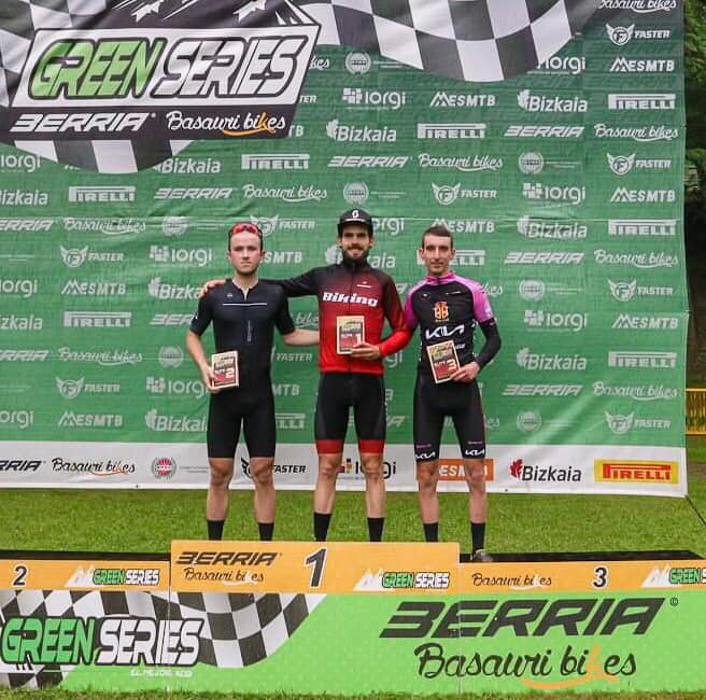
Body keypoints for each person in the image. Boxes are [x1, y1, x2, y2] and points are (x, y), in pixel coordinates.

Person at [200, 209, 409, 542]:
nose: (354, 241)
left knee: (373, 466)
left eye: (361, 235)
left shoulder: (382, 282)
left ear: (371, 240)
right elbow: (270, 287)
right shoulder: (322, 277)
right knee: (327, 466)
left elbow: (403, 329)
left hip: (370, 381)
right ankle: (319, 546)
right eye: (349, 235)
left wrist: (380, 350)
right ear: (339, 240)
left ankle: (375, 548)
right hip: (332, 381)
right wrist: (224, 286)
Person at [186, 221, 318, 541]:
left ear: (262, 254)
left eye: (251, 249)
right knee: (219, 474)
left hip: (260, 398)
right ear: (229, 255)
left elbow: (290, 335)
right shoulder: (214, 295)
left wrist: (329, 336)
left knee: (263, 473)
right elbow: (192, 335)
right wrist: (203, 367)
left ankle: (267, 548)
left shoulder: (275, 295)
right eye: (239, 249)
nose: (245, 254)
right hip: (224, 398)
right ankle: (213, 548)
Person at [404, 224, 501, 561]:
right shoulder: (415, 295)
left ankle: (479, 549)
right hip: (428, 393)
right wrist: (374, 348)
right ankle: (433, 553)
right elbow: (402, 335)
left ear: (453, 253)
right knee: (426, 476)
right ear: (421, 254)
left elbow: (494, 339)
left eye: (443, 249)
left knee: (475, 474)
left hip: (464, 393)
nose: (437, 255)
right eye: (430, 249)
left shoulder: (472, 290)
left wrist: (476, 365)